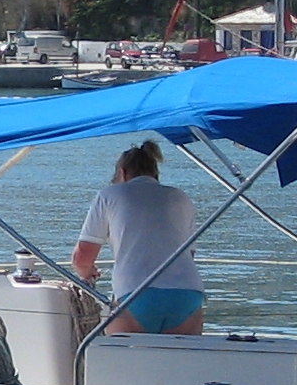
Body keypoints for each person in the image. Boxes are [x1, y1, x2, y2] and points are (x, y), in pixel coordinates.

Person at [72, 139, 203, 334]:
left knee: (121, 354)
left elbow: (82, 258)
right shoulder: (179, 197)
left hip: (135, 293)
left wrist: (87, 273)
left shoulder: (109, 195)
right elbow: (188, 255)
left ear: (122, 173)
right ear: (156, 173)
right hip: (186, 292)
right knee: (180, 355)